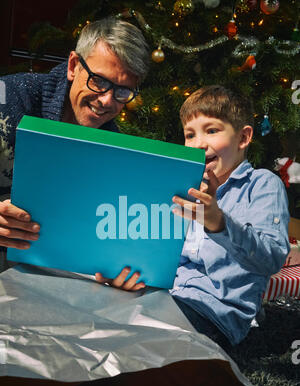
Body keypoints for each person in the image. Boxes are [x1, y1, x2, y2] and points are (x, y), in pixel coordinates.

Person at [0, 16, 149, 284]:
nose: (106, 101)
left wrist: (117, 268)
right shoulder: (7, 97)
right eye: (100, 81)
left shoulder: (114, 147)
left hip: (47, 279)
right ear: (73, 66)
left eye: (122, 92)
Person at [167, 85, 290, 346]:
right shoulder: (186, 186)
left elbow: (272, 258)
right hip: (167, 295)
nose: (198, 144)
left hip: (214, 314)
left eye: (211, 131)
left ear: (243, 138)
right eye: (190, 134)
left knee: (152, 345)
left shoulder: (263, 184)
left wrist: (219, 222)